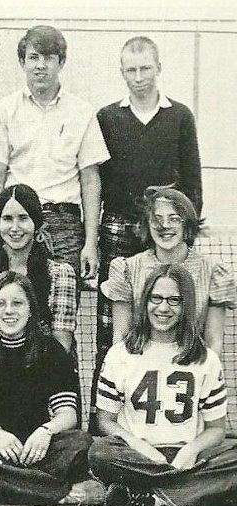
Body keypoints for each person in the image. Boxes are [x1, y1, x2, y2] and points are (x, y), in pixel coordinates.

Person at [0, 271, 103, 506]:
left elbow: (68, 413)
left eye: (17, 303)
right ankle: (60, 493)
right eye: (0, 304)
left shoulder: (51, 350)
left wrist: (46, 431)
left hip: (34, 450)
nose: (9, 311)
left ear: (31, 309)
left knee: (81, 441)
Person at [91, 265, 237, 506]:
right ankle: (193, 489)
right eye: (156, 298)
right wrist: (139, 446)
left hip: (188, 455)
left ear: (186, 305)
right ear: (145, 301)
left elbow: (216, 429)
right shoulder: (120, 354)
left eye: (174, 300)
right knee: (99, 453)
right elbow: (105, 420)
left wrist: (191, 450)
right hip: (136, 456)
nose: (163, 308)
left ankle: (152, 497)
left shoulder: (206, 359)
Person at [95, 36, 203, 357]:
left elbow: (193, 183)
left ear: (158, 68)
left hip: (166, 231)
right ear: (122, 73)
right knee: (113, 323)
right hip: (118, 230)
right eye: (131, 70)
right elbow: (98, 183)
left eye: (145, 69)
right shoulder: (107, 118)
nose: (139, 77)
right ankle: (109, 384)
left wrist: (181, 234)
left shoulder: (180, 116)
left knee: (167, 313)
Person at [0, 26, 110, 284]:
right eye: (33, 57)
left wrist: (90, 242)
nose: (41, 66)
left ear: (61, 62)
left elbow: (90, 180)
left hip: (64, 224)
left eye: (49, 58)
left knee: (62, 300)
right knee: (15, 297)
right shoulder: (4, 110)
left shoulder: (81, 112)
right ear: (22, 62)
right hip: (17, 221)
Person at [101, 187, 235, 356]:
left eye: (174, 219)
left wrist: (206, 369)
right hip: (140, 363)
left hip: (192, 363)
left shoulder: (213, 271)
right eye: (157, 219)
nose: (165, 226)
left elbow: (213, 341)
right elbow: (121, 336)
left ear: (187, 224)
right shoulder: (126, 269)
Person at [0, 184, 78, 352]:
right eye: (7, 219)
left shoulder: (61, 274)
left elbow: (61, 346)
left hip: (43, 363)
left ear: (36, 223)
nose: (15, 228)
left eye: (23, 218)